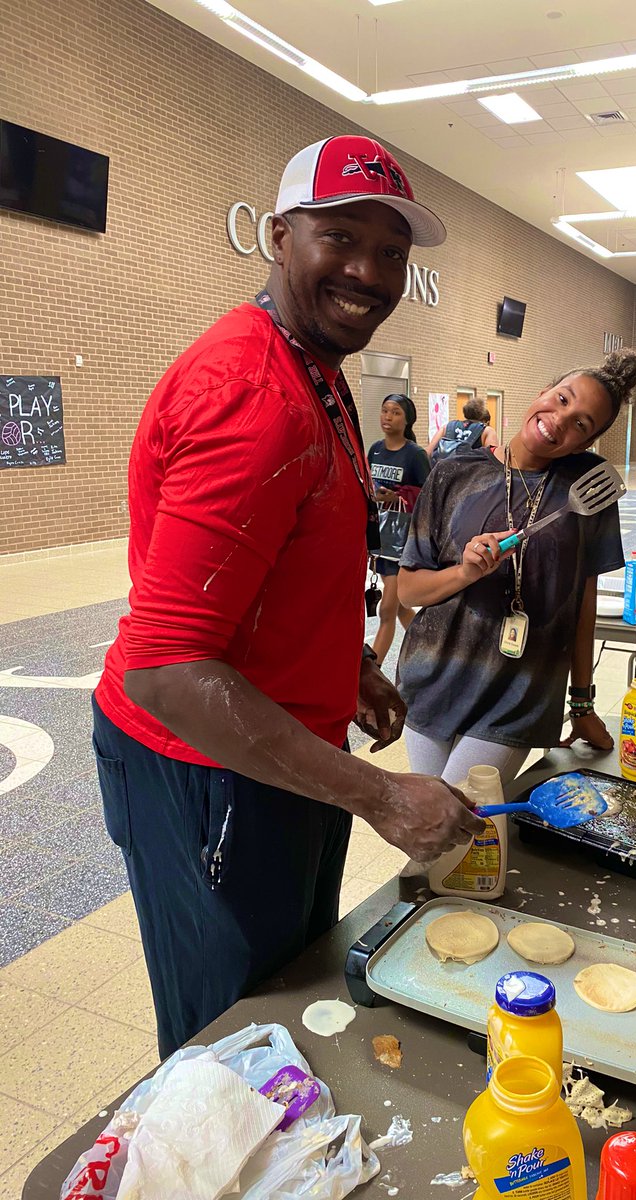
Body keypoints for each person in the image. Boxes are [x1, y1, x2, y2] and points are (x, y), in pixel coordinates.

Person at [91, 134, 482, 1059]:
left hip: (279, 746)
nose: (370, 272)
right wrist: (379, 794)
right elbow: (164, 666)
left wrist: (340, 664)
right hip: (207, 768)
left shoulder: (316, 371)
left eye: (392, 252)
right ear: (278, 234)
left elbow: (278, 565)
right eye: (339, 237)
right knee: (229, 1038)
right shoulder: (252, 396)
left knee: (288, 994)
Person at [396, 351, 636, 787]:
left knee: (459, 821)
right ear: (541, 392)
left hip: (519, 692)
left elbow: (583, 606)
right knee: (437, 833)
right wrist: (464, 573)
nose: (561, 420)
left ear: (586, 443)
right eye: (562, 399)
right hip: (432, 677)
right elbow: (409, 592)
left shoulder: (586, 487)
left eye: (582, 423)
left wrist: (582, 706)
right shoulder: (453, 473)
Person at [367, 394, 430, 665]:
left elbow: (430, 494)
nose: (387, 417)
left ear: (407, 420)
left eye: (394, 412)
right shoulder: (375, 449)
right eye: (384, 411)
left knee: (387, 610)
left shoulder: (415, 454)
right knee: (402, 606)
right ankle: (430, 651)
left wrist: (399, 495)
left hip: (401, 540)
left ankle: (373, 670)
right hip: (377, 535)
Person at [426, 396, 499, 461]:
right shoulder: (487, 431)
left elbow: (428, 453)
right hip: (471, 474)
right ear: (482, 413)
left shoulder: (446, 427)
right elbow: (494, 461)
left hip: (445, 473)